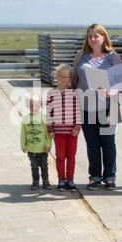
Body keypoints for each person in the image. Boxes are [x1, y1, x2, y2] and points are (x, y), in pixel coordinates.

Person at [71, 24, 122, 191]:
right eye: (90, 36)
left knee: (108, 143)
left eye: (96, 36)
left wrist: (113, 91)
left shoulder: (113, 57)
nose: (93, 39)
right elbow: (74, 79)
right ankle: (94, 176)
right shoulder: (81, 56)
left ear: (104, 38)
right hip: (86, 106)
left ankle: (109, 176)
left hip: (108, 107)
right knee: (92, 143)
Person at [46, 64, 82, 192]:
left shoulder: (74, 93)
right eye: (60, 76)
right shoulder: (51, 93)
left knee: (71, 156)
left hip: (72, 131)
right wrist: (50, 129)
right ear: (56, 77)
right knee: (60, 156)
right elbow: (49, 112)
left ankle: (70, 179)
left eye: (66, 77)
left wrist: (77, 127)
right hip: (58, 132)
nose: (63, 79)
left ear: (70, 78)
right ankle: (61, 178)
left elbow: (78, 112)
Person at [21, 93, 52, 190]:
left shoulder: (44, 118)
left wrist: (48, 145)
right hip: (31, 149)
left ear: (40, 106)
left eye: (36, 105)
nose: (34, 107)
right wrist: (23, 145)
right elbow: (23, 133)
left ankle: (46, 182)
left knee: (44, 166)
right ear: (27, 106)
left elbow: (48, 134)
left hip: (42, 149)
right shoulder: (25, 119)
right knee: (34, 166)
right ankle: (35, 182)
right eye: (31, 105)